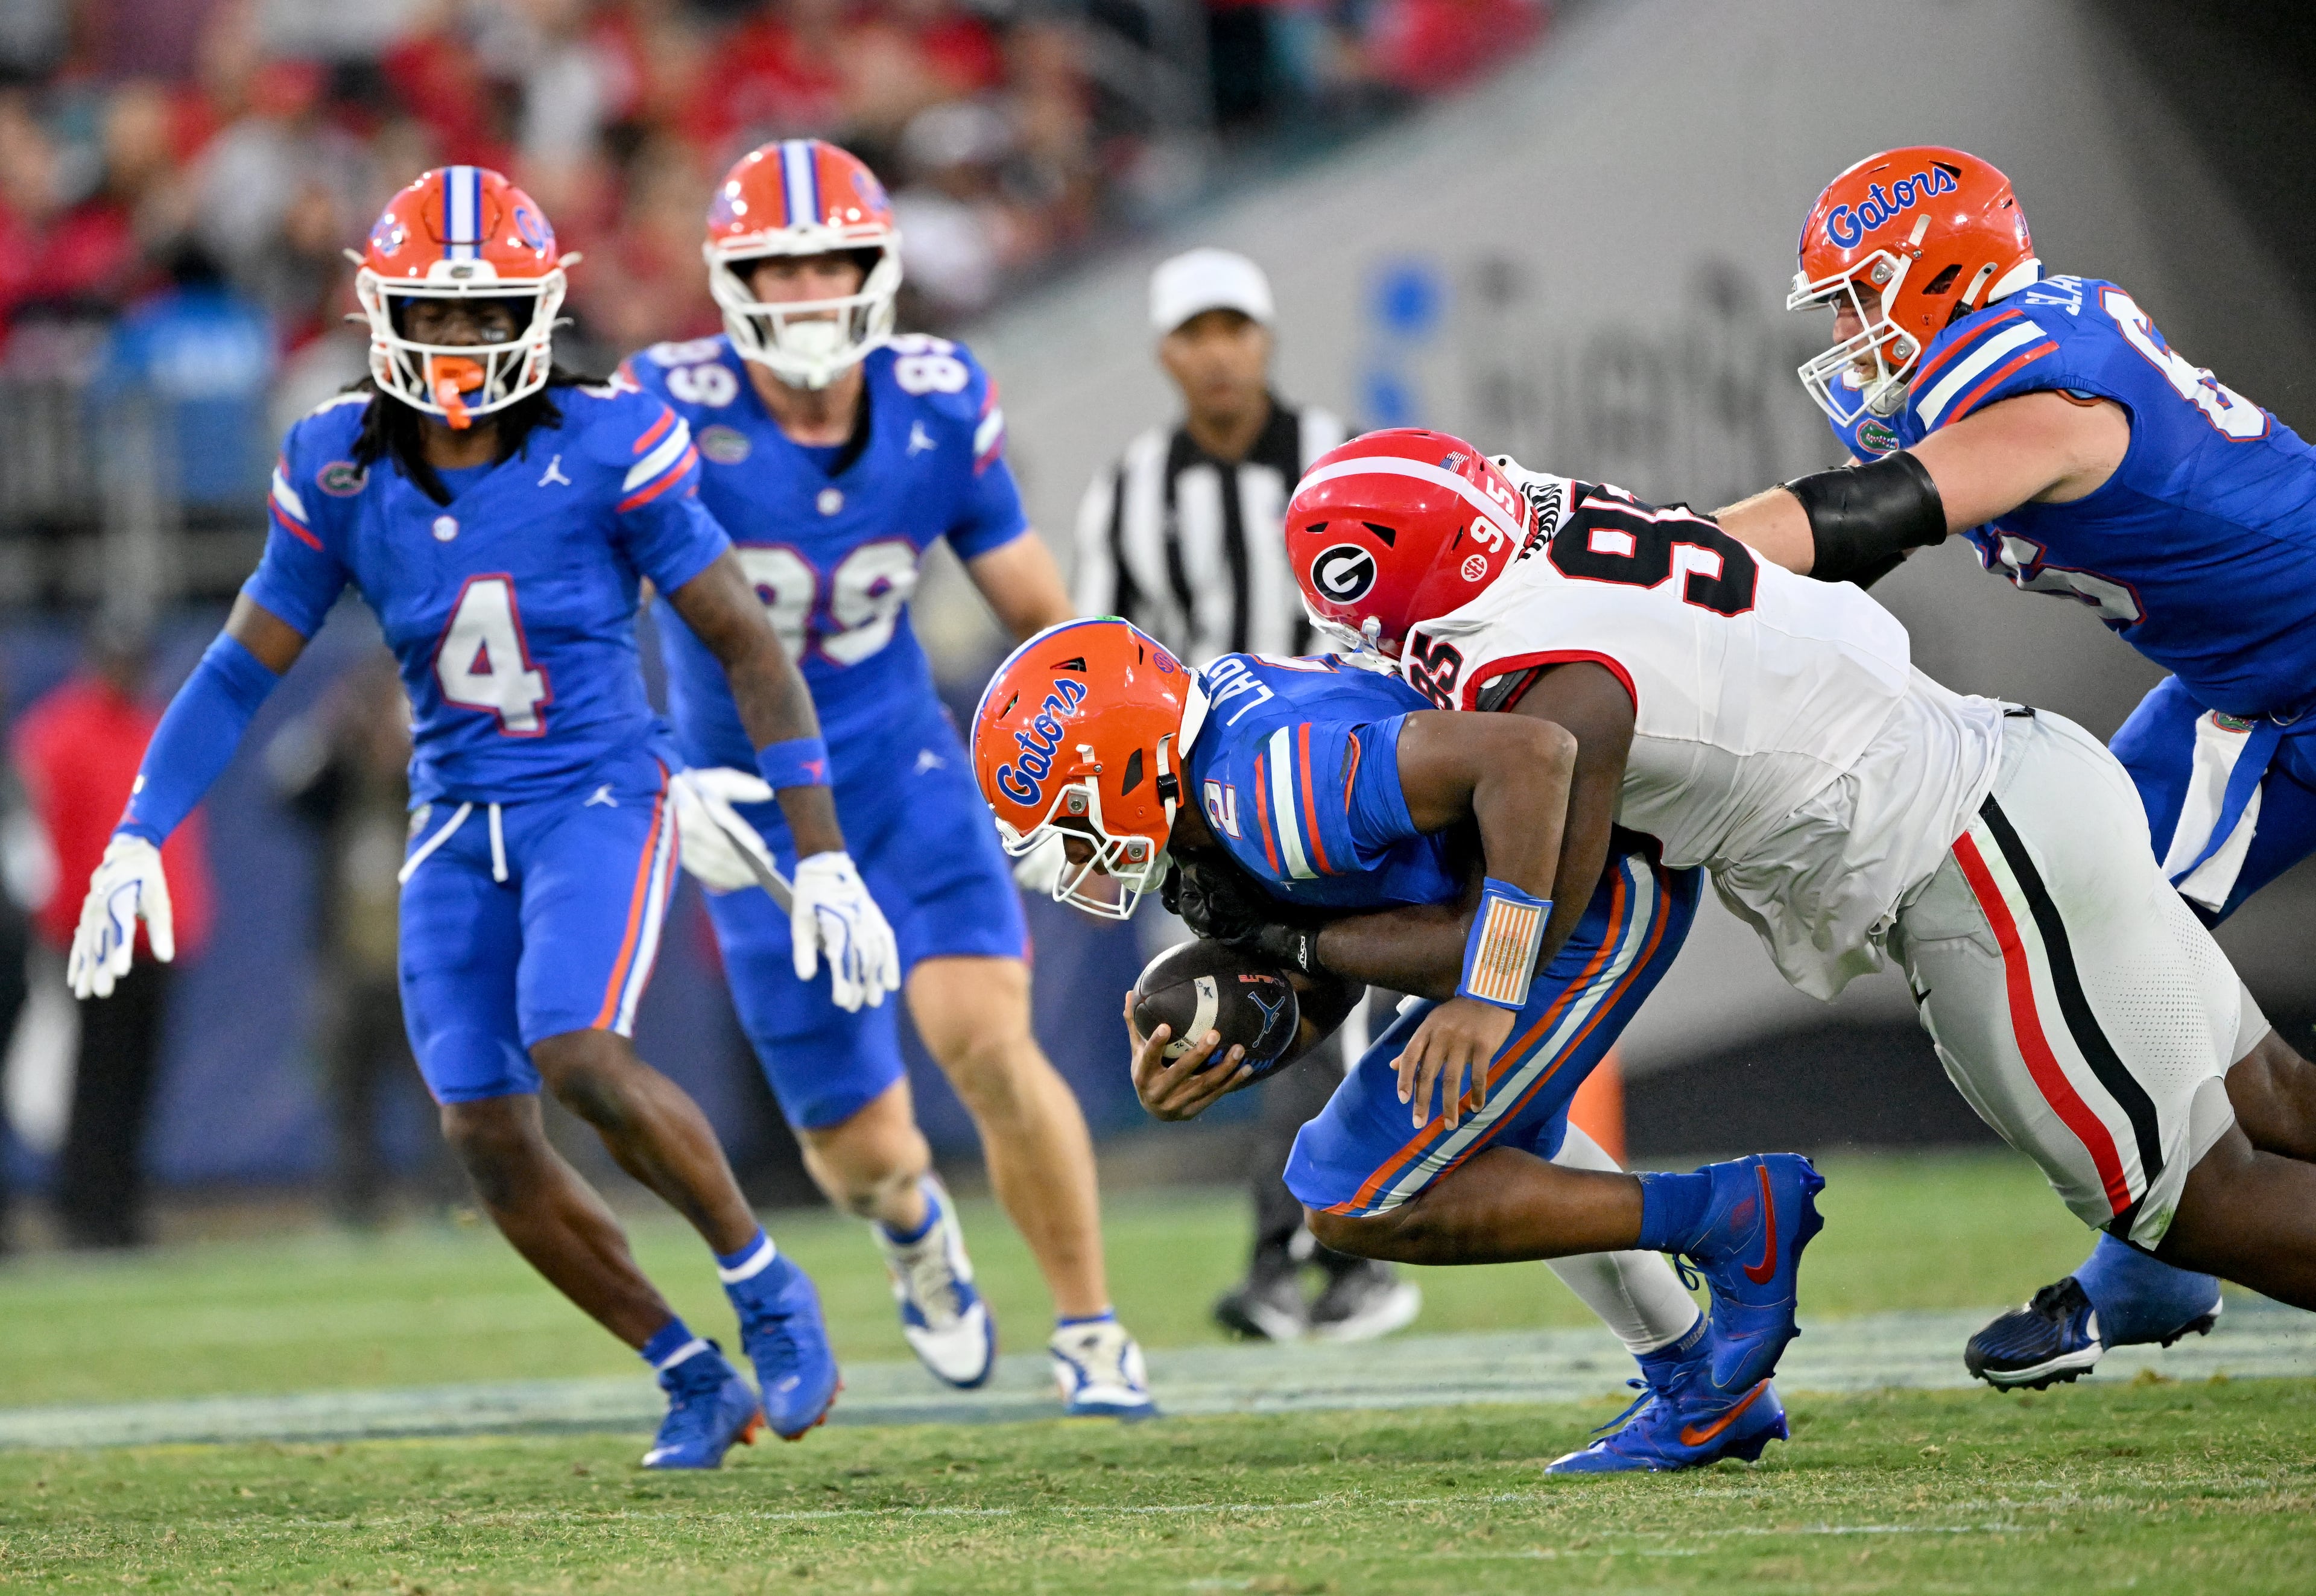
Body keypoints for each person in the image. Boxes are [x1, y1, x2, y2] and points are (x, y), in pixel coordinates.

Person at [65, 166, 898, 1470]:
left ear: (539, 311)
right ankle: (687, 1375)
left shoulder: (607, 443)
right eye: (435, 317)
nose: (458, 343)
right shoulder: (336, 464)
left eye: (484, 313)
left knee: (573, 1049)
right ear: (383, 315)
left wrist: (827, 855)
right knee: (484, 1136)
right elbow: (238, 667)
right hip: (457, 816)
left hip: (598, 792)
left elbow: (747, 644)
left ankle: (766, 1287)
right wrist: (136, 830)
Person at [1283, 428, 2316, 1332]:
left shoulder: (1555, 674)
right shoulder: (1548, 525)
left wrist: (1477, 992)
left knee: (2191, 1205)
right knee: (2272, 1096)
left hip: (1971, 859)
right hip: (2009, 785)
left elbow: (1553, 886)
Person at [1715, 145, 2316, 1390]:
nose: (1844, 329)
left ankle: (2159, 1259)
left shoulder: (2036, 385)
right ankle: (2158, 1264)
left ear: (1940, 274)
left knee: (2112, 949)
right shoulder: (2030, 338)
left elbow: (1867, 519)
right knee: (2124, 930)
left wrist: (1650, 560)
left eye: (1857, 292)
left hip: (2291, 679)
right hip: (2238, 679)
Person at [972, 612, 1824, 1475]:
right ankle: (1705, 1387)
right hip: (1523, 889)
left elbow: (1530, 758)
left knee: (1354, 1191)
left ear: (1125, 765)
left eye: (1071, 820)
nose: (1077, 854)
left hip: (1585, 880)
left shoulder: (1272, 783)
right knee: (1466, 1126)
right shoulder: (1213, 798)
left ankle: (1730, 1213)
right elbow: (1341, 944)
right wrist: (1232, 1052)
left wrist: (1485, 986)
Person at [622, 138, 1152, 1417]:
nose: (806, 290)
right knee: (857, 1155)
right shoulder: (663, 404)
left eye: (830, 262)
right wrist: (650, 767)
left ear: (878, 270)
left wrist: (1092, 743)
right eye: (778, 267)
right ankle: (914, 1229)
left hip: (900, 765)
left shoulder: (939, 397)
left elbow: (1034, 603)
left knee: (987, 1039)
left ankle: (1090, 1328)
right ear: (730, 281)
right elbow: (582, 611)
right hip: (750, 807)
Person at [1072, 247, 1416, 1344]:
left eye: (1235, 330)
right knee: (1269, 1023)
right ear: (1169, 353)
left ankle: (1327, 1255)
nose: (1219, 354)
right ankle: (1314, 1255)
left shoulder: (1339, 463)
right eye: (1196, 334)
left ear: (1263, 340)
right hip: (1214, 809)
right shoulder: (1130, 489)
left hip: (1345, 784)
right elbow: (1093, 658)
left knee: (1326, 1024)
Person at [14, 618, 214, 1249]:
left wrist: (183, 918)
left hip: (154, 936)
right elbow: (50, 843)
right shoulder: (57, 733)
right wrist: (63, 926)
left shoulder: (155, 728)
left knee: (137, 1081)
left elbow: (178, 839)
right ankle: (83, 1212)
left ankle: (121, 1209)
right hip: (90, 934)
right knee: (90, 1081)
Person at [267, 654, 442, 1228]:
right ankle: (354, 1206)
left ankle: (447, 1204)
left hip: (419, 964)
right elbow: (282, 786)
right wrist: (332, 728)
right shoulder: (339, 785)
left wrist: (409, 742)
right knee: (349, 1095)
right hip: (349, 964)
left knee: (440, 1093)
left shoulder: (422, 785)